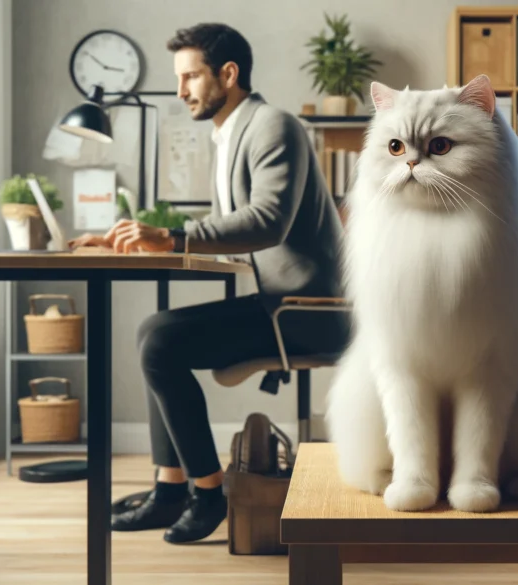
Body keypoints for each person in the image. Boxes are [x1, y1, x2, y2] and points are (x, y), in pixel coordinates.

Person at [69, 23, 350, 544]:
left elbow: (267, 221)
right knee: (156, 333)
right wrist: (134, 237)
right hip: (280, 302)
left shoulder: (272, 125)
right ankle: (171, 488)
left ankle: (207, 493)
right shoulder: (230, 134)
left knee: (160, 340)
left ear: (228, 73)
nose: (181, 91)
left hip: (311, 313)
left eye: (191, 76)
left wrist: (173, 237)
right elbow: (233, 232)